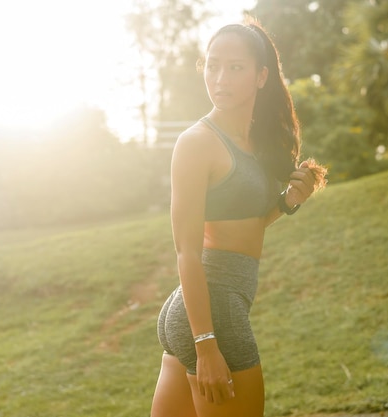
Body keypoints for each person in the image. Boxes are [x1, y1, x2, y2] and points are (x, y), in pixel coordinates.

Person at [151, 18, 327, 417]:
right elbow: (187, 253)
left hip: (201, 310)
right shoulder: (197, 143)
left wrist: (285, 203)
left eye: (235, 67)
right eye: (213, 65)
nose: (220, 78)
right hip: (213, 314)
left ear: (261, 76)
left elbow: (244, 227)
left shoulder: (254, 143)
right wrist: (207, 344)